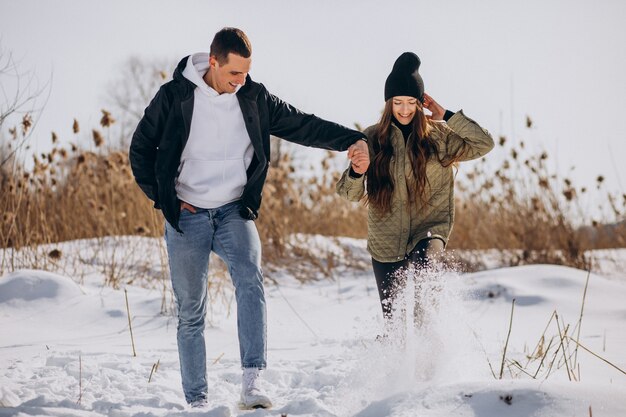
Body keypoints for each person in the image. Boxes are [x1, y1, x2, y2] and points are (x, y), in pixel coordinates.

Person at [129, 27, 368, 410]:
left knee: (250, 279)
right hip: (187, 213)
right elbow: (140, 149)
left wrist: (354, 140)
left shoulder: (254, 98)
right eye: (233, 74)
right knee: (191, 311)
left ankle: (253, 382)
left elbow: (303, 124)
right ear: (213, 62)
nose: (240, 81)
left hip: (233, 212)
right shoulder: (174, 96)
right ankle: (197, 400)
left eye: (245, 73)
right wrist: (166, 199)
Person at [337, 52, 494, 327]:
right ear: (388, 103)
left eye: (411, 102)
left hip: (429, 229)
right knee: (394, 323)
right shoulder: (372, 137)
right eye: (398, 102)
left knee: (424, 289)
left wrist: (446, 115)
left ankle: (429, 360)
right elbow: (348, 194)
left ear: (421, 103)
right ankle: (396, 367)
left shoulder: (439, 137)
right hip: (386, 239)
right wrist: (356, 172)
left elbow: (484, 143)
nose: (405, 110)